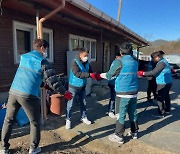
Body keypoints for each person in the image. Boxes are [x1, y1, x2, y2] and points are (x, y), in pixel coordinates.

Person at [0, 39, 72, 154]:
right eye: (46, 49)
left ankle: (4, 148)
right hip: (28, 95)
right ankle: (33, 148)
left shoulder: (24, 57)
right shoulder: (42, 61)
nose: (46, 52)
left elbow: (29, 76)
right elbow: (54, 82)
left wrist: (44, 85)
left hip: (13, 91)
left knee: (8, 120)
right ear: (43, 48)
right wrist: (65, 93)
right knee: (35, 122)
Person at [101, 42, 139, 144]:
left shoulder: (119, 62)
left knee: (120, 114)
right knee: (132, 112)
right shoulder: (135, 62)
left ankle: (118, 135)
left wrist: (99, 75)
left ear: (121, 51)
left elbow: (109, 75)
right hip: (134, 92)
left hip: (123, 92)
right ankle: (134, 132)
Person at [66, 48, 101, 129]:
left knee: (84, 102)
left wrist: (96, 75)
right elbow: (77, 74)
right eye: (85, 55)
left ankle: (83, 117)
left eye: (87, 56)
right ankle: (68, 119)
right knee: (71, 104)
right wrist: (89, 75)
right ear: (80, 54)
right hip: (73, 86)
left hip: (82, 86)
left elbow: (90, 72)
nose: (86, 57)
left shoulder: (87, 63)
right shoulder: (74, 62)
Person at [138, 51, 172, 117]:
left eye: (154, 58)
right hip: (168, 82)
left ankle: (161, 112)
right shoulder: (164, 61)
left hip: (162, 83)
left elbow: (154, 72)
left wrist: (143, 73)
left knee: (160, 98)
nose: (153, 60)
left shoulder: (161, 63)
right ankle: (167, 110)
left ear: (158, 57)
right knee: (166, 96)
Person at [106, 51, 121, 118]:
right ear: (118, 57)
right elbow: (111, 73)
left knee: (115, 97)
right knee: (113, 97)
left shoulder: (115, 62)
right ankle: (110, 110)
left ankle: (113, 109)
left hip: (114, 82)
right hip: (113, 82)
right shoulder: (117, 63)